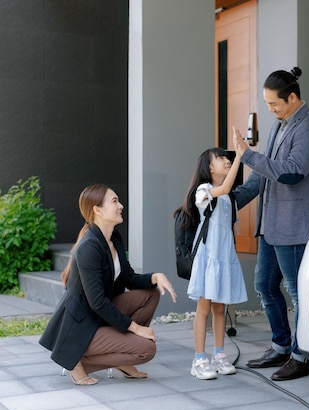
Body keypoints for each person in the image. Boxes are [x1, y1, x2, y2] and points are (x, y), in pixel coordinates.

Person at [232, 67, 309, 381]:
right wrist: (230, 203)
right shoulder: (280, 125)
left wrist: (248, 156)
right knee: (265, 286)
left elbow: (291, 172)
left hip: (296, 227)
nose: (270, 110)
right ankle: (281, 346)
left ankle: (300, 357)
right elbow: (262, 175)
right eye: (268, 104)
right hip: (270, 226)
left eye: (274, 104)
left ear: (293, 97)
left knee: (298, 294)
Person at [39, 185, 177, 385]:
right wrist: (135, 328)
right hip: (82, 325)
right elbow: (97, 302)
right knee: (146, 350)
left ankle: (121, 354)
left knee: (150, 294)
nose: (121, 205)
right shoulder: (89, 248)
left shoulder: (114, 238)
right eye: (114, 201)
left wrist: (156, 276)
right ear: (98, 210)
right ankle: (77, 359)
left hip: (99, 315)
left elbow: (129, 278)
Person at [177, 144, 247, 380]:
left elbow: (228, 191)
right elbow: (226, 186)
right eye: (221, 158)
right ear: (208, 166)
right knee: (204, 309)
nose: (226, 161)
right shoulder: (203, 191)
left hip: (224, 257)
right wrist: (240, 155)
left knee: (220, 308)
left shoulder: (228, 198)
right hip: (209, 259)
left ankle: (219, 355)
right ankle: (199, 359)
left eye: (228, 159)